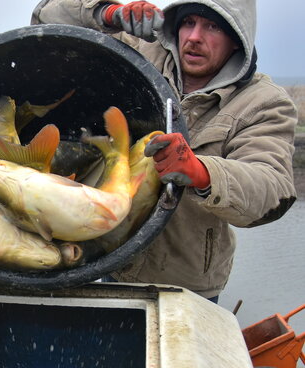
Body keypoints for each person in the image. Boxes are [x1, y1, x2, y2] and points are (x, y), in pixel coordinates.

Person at [31, 0, 297, 302]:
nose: (195, 37)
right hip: (107, 261)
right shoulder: (138, 52)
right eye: (189, 23)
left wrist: (202, 172)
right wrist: (108, 14)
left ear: (237, 41)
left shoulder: (264, 103)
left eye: (212, 27)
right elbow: (45, 20)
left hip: (184, 284)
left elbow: (272, 188)